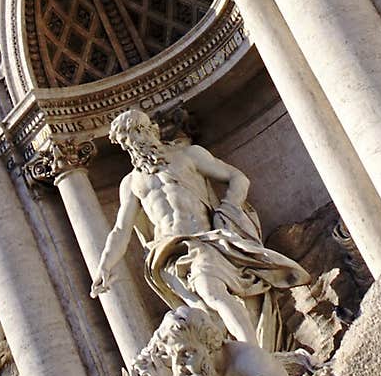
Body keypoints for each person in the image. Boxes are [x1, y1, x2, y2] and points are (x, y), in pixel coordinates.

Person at [91, 108, 309, 350]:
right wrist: (105, 265)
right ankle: (242, 363)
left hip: (203, 242)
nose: (135, 142)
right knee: (205, 316)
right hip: (167, 256)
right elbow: (121, 229)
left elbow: (237, 178)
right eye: (127, 141)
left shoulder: (188, 156)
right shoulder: (131, 183)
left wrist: (227, 210)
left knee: (210, 289)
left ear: (151, 130)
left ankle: (255, 354)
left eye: (138, 132)